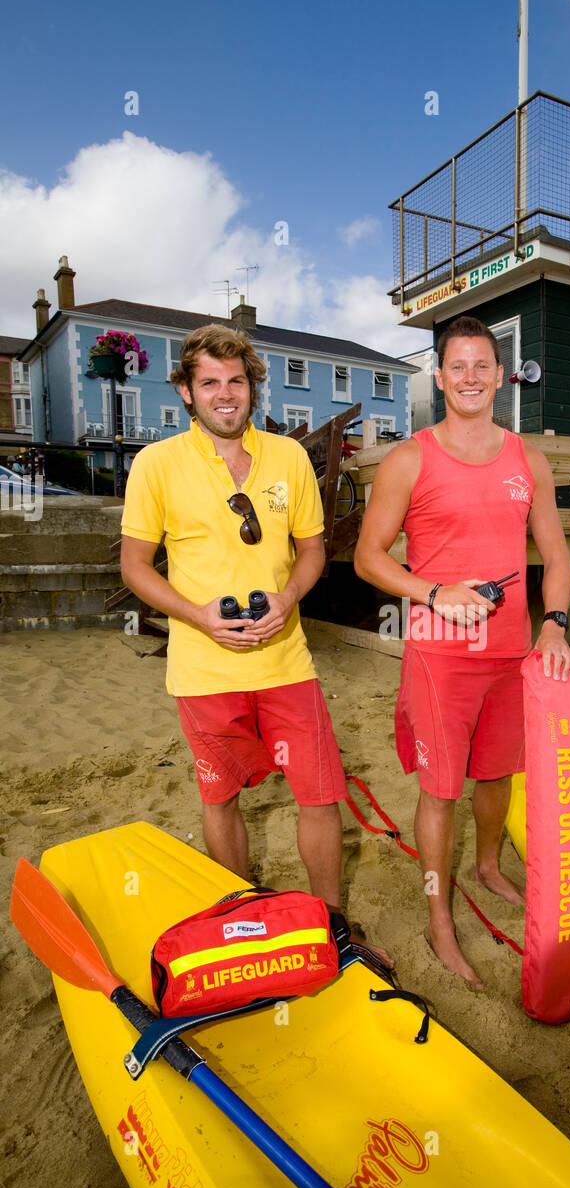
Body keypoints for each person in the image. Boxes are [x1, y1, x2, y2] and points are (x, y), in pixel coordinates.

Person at [121, 323, 390, 963]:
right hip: (202, 670)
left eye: (235, 381)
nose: (225, 394)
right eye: (209, 382)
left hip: (285, 662)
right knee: (220, 797)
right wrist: (196, 615)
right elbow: (134, 568)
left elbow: (313, 550)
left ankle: (334, 929)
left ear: (252, 386)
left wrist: (290, 598)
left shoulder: (289, 457)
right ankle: (240, 921)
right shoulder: (155, 465)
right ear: (185, 391)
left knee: (320, 797)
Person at [354, 314, 570, 989]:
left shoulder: (526, 459)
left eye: (485, 365)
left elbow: (558, 557)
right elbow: (367, 557)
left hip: (511, 657)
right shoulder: (409, 458)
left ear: (501, 376)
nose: (473, 376)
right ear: (441, 375)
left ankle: (486, 868)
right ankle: (439, 915)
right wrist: (431, 591)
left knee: (496, 777)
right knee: (439, 790)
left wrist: (554, 625)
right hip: (439, 658)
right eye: (460, 366)